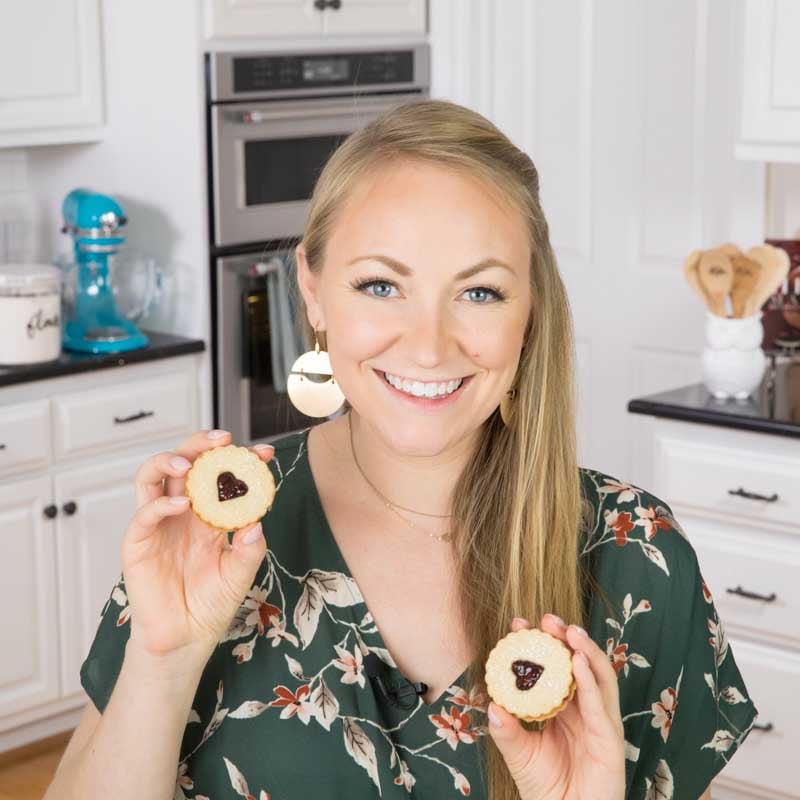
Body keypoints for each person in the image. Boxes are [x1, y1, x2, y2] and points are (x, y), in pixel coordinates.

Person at [44, 99, 757, 800]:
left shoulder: (639, 558)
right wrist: (162, 661)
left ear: (531, 309)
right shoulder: (212, 537)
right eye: (380, 285)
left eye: (479, 293)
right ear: (314, 292)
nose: (427, 344)